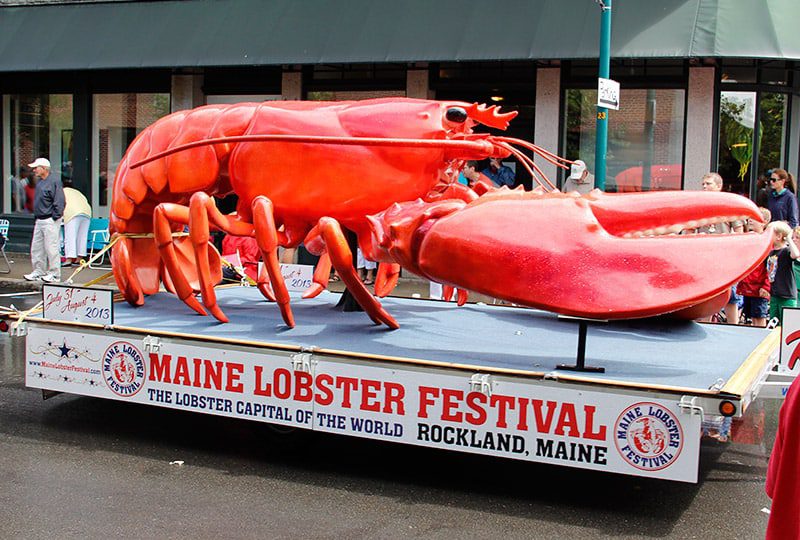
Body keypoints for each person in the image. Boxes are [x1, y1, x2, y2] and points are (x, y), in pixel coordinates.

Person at [24, 158, 65, 283]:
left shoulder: (54, 181)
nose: (34, 170)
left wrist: (55, 216)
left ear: (44, 168)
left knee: (51, 247)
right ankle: (38, 271)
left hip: (49, 219)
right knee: (37, 247)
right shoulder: (41, 182)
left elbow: (59, 200)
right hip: (40, 218)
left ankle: (54, 274)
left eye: (37, 168)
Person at [738, 208, 772, 327]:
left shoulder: (768, 241)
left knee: (759, 317)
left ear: (765, 221)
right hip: (747, 287)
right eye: (750, 217)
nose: (750, 220)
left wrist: (766, 287)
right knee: (751, 318)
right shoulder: (747, 240)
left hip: (759, 289)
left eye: (755, 218)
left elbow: (770, 268)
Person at [766, 221, 800, 325]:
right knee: (773, 324)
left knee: (787, 325)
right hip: (775, 294)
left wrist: (789, 239)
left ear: (779, 236)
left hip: (787, 296)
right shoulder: (771, 253)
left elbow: (795, 254)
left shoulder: (786, 251)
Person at [61, 179, 91, 267]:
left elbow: (60, 204)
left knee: (70, 236)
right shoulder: (77, 192)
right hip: (86, 212)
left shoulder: (62, 191)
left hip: (72, 212)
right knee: (82, 236)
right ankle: (79, 258)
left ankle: (69, 259)